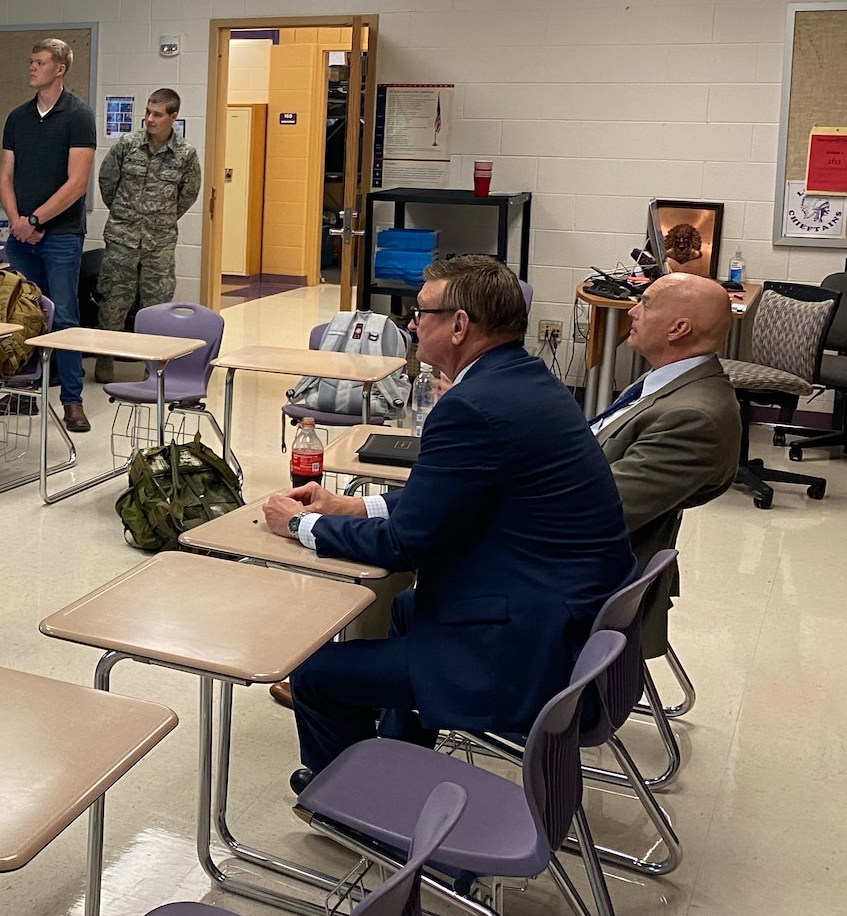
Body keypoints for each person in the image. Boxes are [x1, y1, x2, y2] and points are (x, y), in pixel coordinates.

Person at [261, 256, 633, 781]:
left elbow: (403, 546)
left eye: (421, 313)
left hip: (525, 649)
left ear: (459, 325)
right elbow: (450, 499)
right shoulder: (527, 380)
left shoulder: (471, 407)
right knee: (410, 608)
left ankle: (357, 800)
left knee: (316, 673)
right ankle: (399, 764)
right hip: (561, 613)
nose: (412, 325)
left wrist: (300, 526)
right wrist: (350, 505)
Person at [593, 272, 742, 657]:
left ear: (678, 328)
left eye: (646, 304)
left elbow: (595, 514)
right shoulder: (665, 382)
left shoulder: (695, 417)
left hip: (586, 572)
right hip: (576, 535)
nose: (633, 311)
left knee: (423, 544)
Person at [0, 38, 98, 431]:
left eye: (40, 62)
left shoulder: (78, 116)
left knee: (66, 317)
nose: (32, 67)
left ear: (60, 69)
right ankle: (23, 392)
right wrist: (18, 222)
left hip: (60, 235)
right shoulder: (17, 118)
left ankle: (71, 399)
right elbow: (5, 175)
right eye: (31, 61)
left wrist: (36, 220)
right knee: (22, 314)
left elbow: (77, 183)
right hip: (21, 236)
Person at [94, 88, 200, 380]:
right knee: (114, 300)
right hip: (121, 237)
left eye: (157, 114)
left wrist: (159, 218)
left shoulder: (185, 154)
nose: (149, 119)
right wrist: (125, 214)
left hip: (160, 242)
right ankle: (105, 358)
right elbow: (107, 182)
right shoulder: (127, 145)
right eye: (148, 112)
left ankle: (151, 366)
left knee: (157, 305)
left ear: (173, 116)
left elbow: (187, 194)